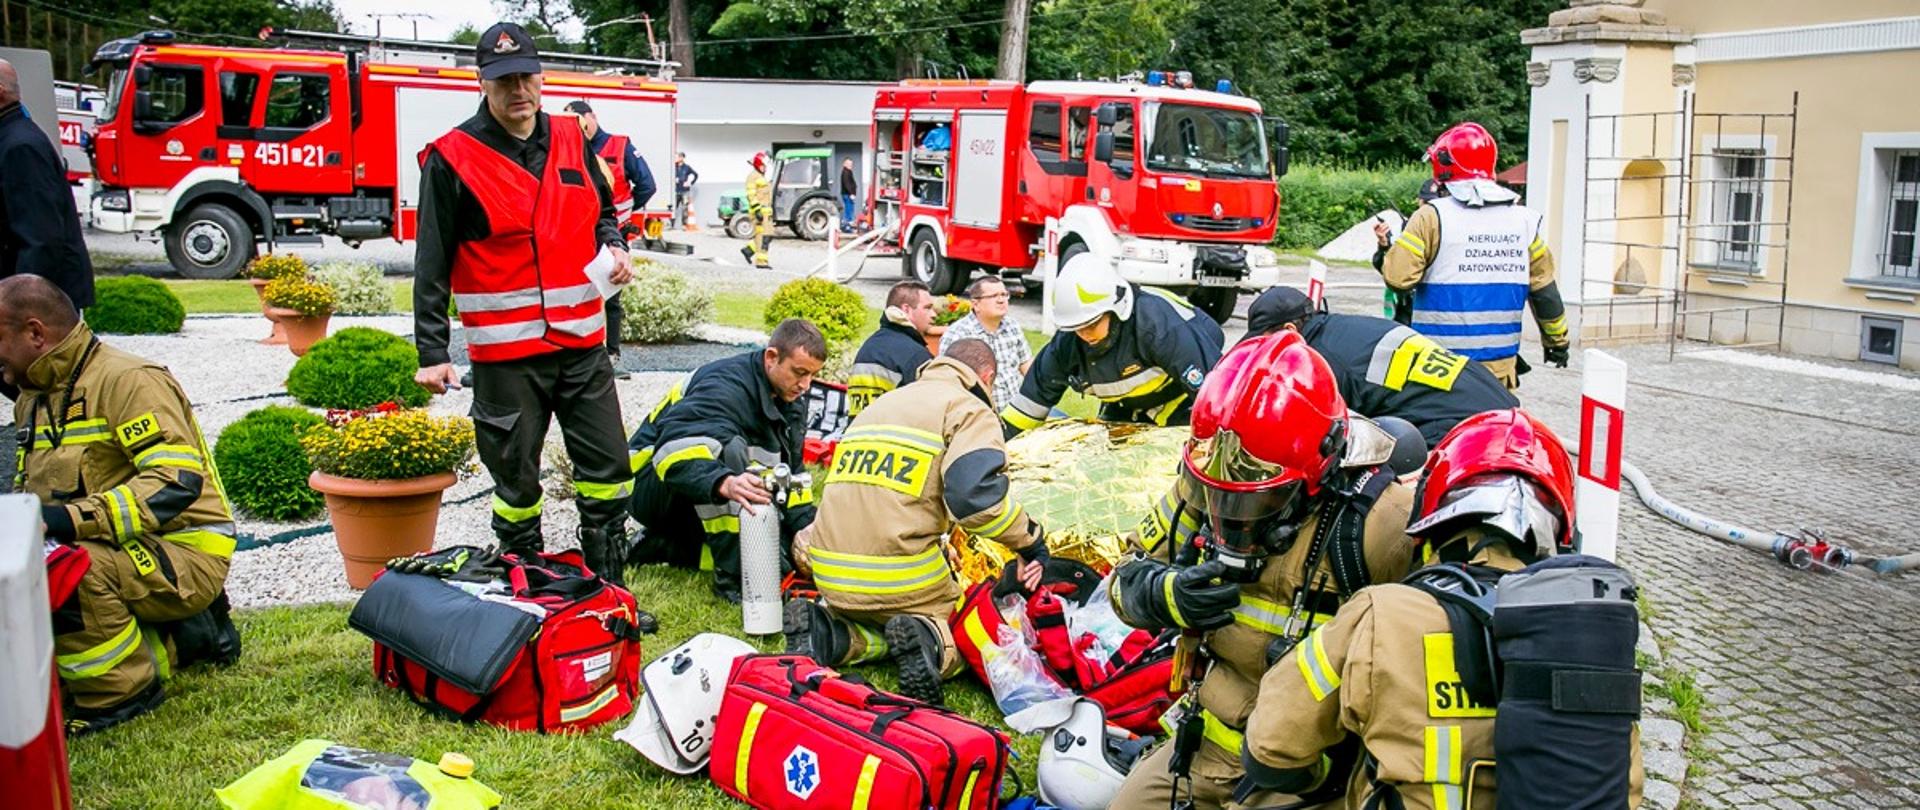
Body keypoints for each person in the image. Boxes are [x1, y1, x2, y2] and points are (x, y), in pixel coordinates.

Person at [1239, 408, 1645, 809]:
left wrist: (1329, 780)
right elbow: (1620, 788)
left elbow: (1270, 749)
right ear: (1560, 529)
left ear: (1432, 514)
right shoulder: (1591, 642)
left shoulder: (1382, 616)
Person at [1105, 330, 1418, 810]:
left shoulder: (1382, 524)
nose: (1229, 512)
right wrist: (1166, 594)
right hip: (1202, 748)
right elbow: (1124, 581)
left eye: (1256, 495)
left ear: (1320, 469)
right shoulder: (1208, 483)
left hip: (1309, 777)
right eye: (1217, 492)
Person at [411, 22, 635, 584]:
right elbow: (432, 263)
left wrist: (614, 244)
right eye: (504, 80)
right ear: (482, 84)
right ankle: (529, 596)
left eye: (527, 77)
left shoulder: (572, 138)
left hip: (583, 346)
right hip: (506, 359)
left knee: (609, 473)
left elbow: (602, 211)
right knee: (515, 487)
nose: (519, 91)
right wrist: (432, 351)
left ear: (541, 77)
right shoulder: (451, 157)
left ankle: (610, 597)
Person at [0, 275, 240, 735]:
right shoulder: (32, 397)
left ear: (35, 334)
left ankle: (120, 694)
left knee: (70, 571)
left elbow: (174, 483)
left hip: (186, 550)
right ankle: (190, 636)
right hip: (122, 546)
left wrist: (67, 522)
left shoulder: (128, 380)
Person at [785, 339, 1047, 705]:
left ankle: (830, 634)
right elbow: (976, 502)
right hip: (900, 579)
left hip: (829, 573)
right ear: (987, 377)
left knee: (880, 620)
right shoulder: (967, 409)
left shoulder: (883, 404)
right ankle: (931, 638)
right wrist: (1030, 540)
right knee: (963, 626)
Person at [626, 319, 824, 602]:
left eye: (812, 375)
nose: (805, 385)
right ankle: (733, 578)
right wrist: (723, 482)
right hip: (647, 483)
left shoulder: (788, 396)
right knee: (728, 452)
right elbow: (674, 450)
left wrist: (805, 526)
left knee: (781, 554)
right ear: (771, 357)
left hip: (694, 490)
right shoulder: (724, 388)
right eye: (799, 372)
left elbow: (788, 472)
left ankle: (666, 547)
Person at [1382, 123, 1569, 389]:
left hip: (1436, 368)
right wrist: (1557, 342)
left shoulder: (1431, 216)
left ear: (1443, 164)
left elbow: (1397, 278)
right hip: (1499, 370)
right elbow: (1545, 291)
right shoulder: (1524, 221)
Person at [1245, 286, 1518, 447]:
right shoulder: (1349, 326)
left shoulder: (1322, 362)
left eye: (1265, 340)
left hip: (1465, 428)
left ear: (1290, 328)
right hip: (1497, 400)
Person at [1001, 253, 1223, 436]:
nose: (1084, 334)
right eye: (1077, 327)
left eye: (1091, 324)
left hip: (1183, 403)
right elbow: (1029, 404)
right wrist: (996, 448)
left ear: (1116, 310)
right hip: (1123, 407)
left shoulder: (1157, 328)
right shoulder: (1066, 345)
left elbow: (1214, 398)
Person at [564, 99, 658, 375]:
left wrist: (625, 214)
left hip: (612, 232)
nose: (578, 128)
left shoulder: (620, 145)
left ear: (591, 117)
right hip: (580, 232)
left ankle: (611, 355)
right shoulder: (570, 148)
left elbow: (646, 185)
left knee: (611, 292)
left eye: (580, 122)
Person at [0, 58, 95, 318]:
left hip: (40, 307)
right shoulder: (10, 137)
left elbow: (40, 237)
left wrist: (17, 308)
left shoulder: (21, 146)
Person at [939, 276, 1032, 412]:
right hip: (980, 417)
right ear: (976, 304)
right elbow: (947, 382)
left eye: (1004, 295)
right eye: (994, 296)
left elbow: (1026, 365)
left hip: (1016, 410)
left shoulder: (1012, 326)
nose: (1001, 300)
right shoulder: (957, 335)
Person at [847, 281, 934, 417]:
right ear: (906, 309)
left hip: (857, 433)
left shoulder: (869, 346)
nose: (934, 314)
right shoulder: (915, 355)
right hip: (894, 435)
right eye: (927, 308)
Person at [1371, 179, 1444, 326]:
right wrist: (1384, 245)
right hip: (1407, 312)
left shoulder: (1446, 229)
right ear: (1419, 202)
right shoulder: (1410, 228)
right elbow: (1388, 270)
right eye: (1427, 203)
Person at [739, 152, 772, 269]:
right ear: (758, 165)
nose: (765, 168)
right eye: (763, 165)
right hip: (759, 212)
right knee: (762, 237)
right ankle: (761, 262)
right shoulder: (753, 177)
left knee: (768, 236)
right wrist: (757, 210)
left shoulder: (761, 176)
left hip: (766, 213)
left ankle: (748, 251)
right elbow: (751, 195)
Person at [673, 152, 698, 230]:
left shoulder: (687, 167)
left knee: (684, 208)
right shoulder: (673, 167)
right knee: (673, 208)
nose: (676, 158)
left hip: (685, 192)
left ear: (682, 158)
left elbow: (696, 175)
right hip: (675, 191)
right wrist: (673, 180)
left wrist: (690, 182)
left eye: (678, 157)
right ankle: (671, 225)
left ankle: (684, 225)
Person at [838, 157, 859, 234]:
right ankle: (847, 228)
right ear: (844, 164)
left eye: (851, 164)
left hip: (847, 194)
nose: (850, 165)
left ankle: (846, 226)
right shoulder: (846, 173)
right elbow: (847, 184)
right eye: (848, 164)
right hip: (847, 194)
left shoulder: (847, 172)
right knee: (849, 211)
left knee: (848, 210)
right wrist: (851, 193)